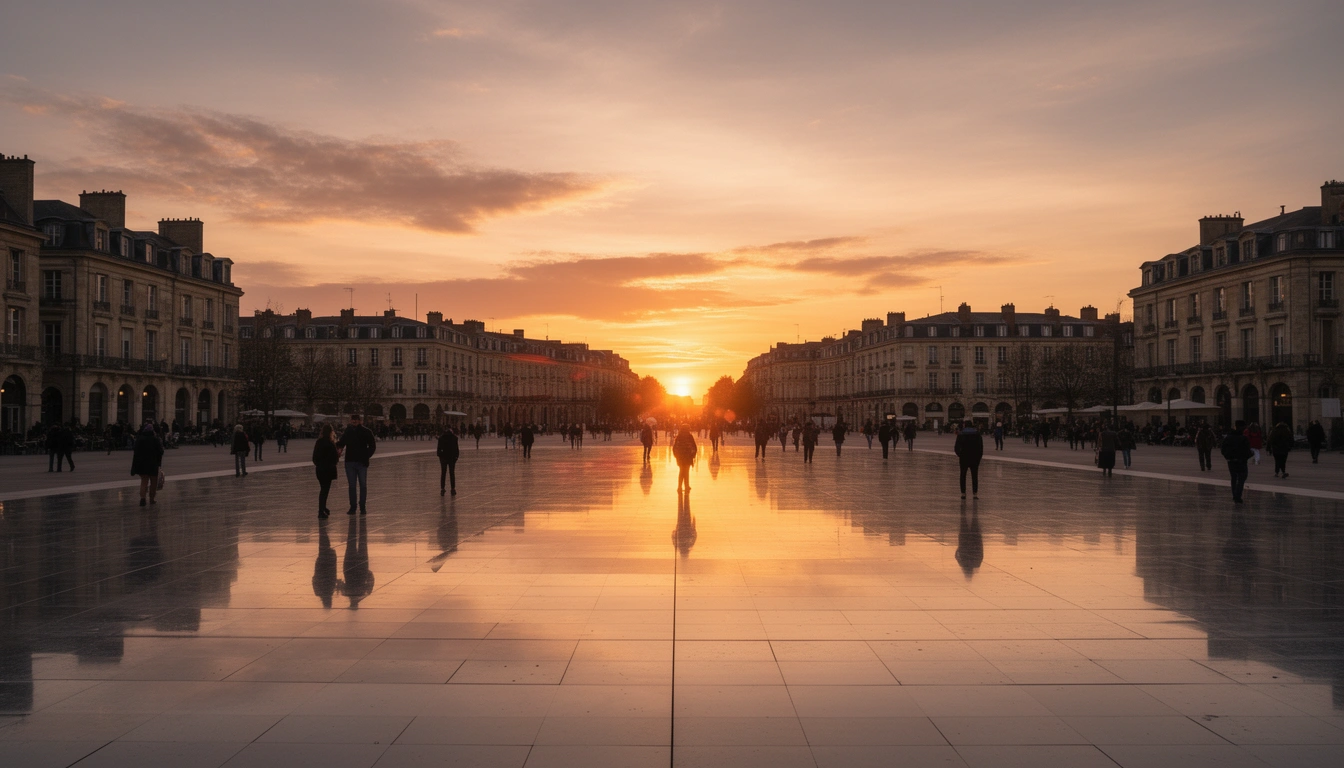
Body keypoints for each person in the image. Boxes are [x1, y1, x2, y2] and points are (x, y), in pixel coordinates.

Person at [336, 413, 377, 515]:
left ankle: (362, 506)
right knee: (352, 486)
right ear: (350, 421)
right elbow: (341, 443)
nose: (354, 421)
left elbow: (372, 445)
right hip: (350, 461)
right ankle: (353, 507)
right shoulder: (348, 431)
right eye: (353, 419)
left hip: (361, 462)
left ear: (360, 421)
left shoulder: (366, 431)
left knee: (363, 485)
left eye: (356, 420)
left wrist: (366, 455)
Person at [130, 423, 164, 506]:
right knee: (153, 483)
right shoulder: (155, 439)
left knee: (144, 482)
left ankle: (143, 498)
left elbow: (135, 452)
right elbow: (161, 451)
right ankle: (152, 499)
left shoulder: (139, 439)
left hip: (142, 464)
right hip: (153, 464)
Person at [311, 423, 340, 518]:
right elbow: (335, 458)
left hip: (320, 470)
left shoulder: (319, 442)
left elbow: (314, 457)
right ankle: (321, 510)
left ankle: (323, 507)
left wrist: (319, 464)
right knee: (325, 491)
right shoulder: (331, 443)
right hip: (328, 470)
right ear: (331, 432)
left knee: (323, 489)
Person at [1220, 420, 1253, 504]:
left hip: (1231, 461)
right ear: (1242, 427)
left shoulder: (1228, 437)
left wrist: (1227, 456)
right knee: (1242, 478)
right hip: (1241, 461)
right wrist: (1249, 455)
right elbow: (1247, 451)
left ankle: (1235, 495)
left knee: (1234, 478)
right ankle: (1238, 495)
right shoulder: (1243, 438)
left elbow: (1222, 449)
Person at [953, 419, 984, 498]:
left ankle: (963, 493)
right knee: (974, 476)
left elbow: (956, 448)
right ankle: (975, 493)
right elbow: (981, 447)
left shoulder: (961, 434)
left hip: (964, 457)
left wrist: (960, 455)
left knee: (963, 475)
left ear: (965, 425)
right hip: (974, 458)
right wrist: (978, 457)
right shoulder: (977, 434)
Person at [672, 425, 697, 493]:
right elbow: (694, 446)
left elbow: (675, 447)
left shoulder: (679, 437)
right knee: (686, 472)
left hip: (680, 457)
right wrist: (693, 455)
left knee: (681, 471)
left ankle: (679, 486)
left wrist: (676, 455)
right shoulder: (689, 437)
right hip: (688, 457)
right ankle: (686, 485)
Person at [438, 424, 460, 496]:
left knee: (443, 473)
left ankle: (442, 488)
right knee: (452, 473)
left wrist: (441, 457)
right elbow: (457, 450)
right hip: (452, 458)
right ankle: (453, 489)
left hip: (443, 458)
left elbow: (438, 450)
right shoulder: (454, 438)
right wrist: (456, 457)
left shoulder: (441, 438)